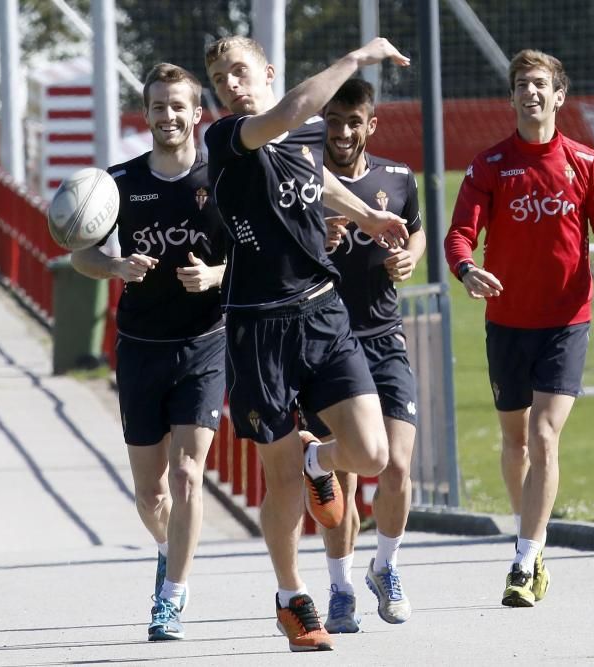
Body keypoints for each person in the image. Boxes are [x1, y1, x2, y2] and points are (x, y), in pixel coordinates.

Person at [203, 36, 409, 652]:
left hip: (321, 311)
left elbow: (313, 179)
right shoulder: (228, 137)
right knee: (280, 477)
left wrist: (368, 218)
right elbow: (290, 115)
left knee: (372, 455)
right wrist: (354, 59)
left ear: (265, 70)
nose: (230, 85)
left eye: (239, 71)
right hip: (256, 326)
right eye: (219, 78)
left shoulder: (304, 132)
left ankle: (322, 461)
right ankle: (292, 598)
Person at [444, 49, 594, 608]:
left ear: (559, 96)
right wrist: (466, 269)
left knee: (543, 435)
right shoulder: (489, 167)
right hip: (506, 323)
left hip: (565, 321)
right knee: (514, 443)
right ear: (511, 98)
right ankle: (533, 535)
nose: (530, 92)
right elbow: (460, 234)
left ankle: (525, 560)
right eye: (521, 85)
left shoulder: (586, 164)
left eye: (540, 84)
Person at [70, 63, 227, 641]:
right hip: (139, 347)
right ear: (147, 113)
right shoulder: (117, 182)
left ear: (196, 113)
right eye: (158, 106)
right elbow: (79, 255)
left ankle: (172, 597)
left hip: (204, 344)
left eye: (178, 106)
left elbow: (256, 255)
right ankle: (167, 548)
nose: (169, 116)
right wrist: (115, 265)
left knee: (188, 476)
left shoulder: (222, 179)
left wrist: (216, 275)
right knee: (151, 491)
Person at [297, 78, 426, 633]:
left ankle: (387, 567)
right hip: (326, 342)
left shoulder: (396, 178)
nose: (343, 132)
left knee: (396, 464)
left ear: (372, 124)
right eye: (334, 120)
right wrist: (314, 242)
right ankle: (341, 587)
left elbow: (416, 233)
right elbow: (273, 253)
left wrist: (408, 259)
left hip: (382, 336)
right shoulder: (301, 182)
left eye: (355, 121)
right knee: (347, 477)